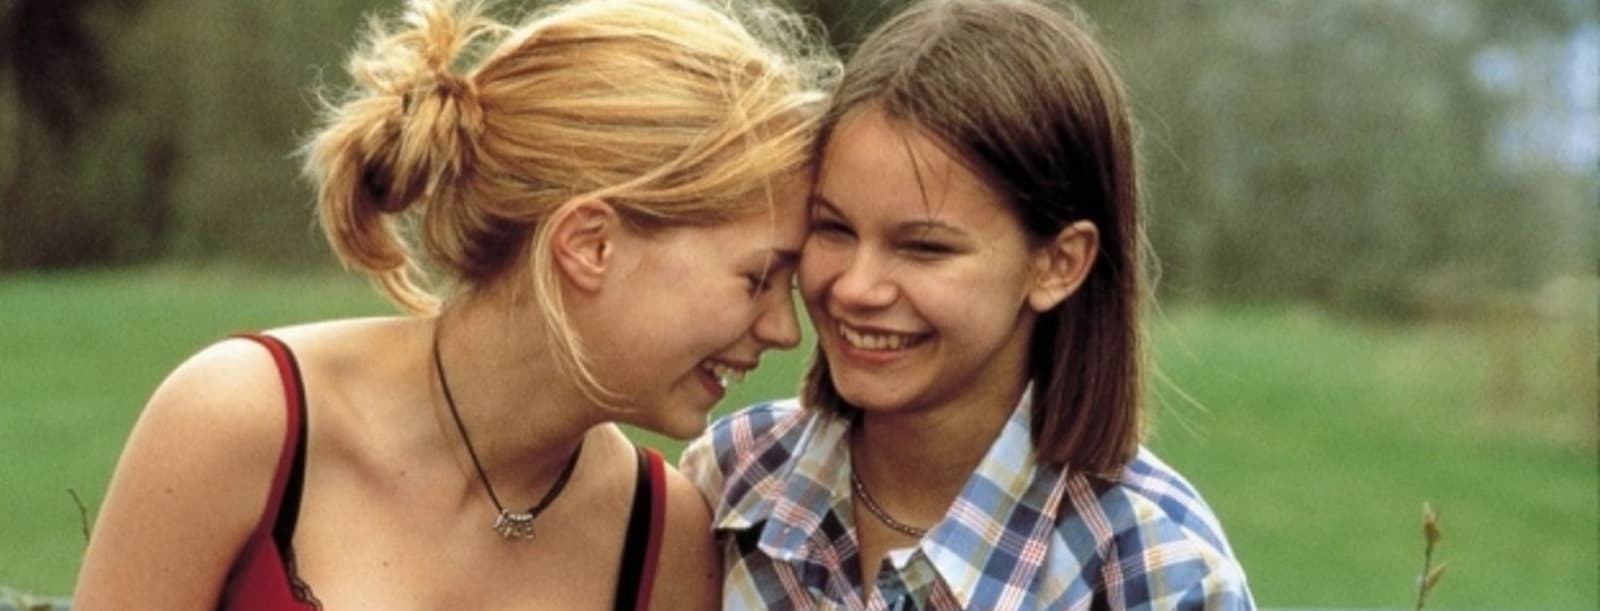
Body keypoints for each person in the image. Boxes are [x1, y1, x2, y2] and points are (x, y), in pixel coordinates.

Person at [73, 0, 836, 608]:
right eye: (757, 278)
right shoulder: (245, 421)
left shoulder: (663, 536)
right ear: (590, 244)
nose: (782, 328)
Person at [682, 0, 1255, 608]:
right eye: (835, 229)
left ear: (1058, 263)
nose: (855, 287)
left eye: (924, 247)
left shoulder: (1159, 569)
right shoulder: (732, 480)